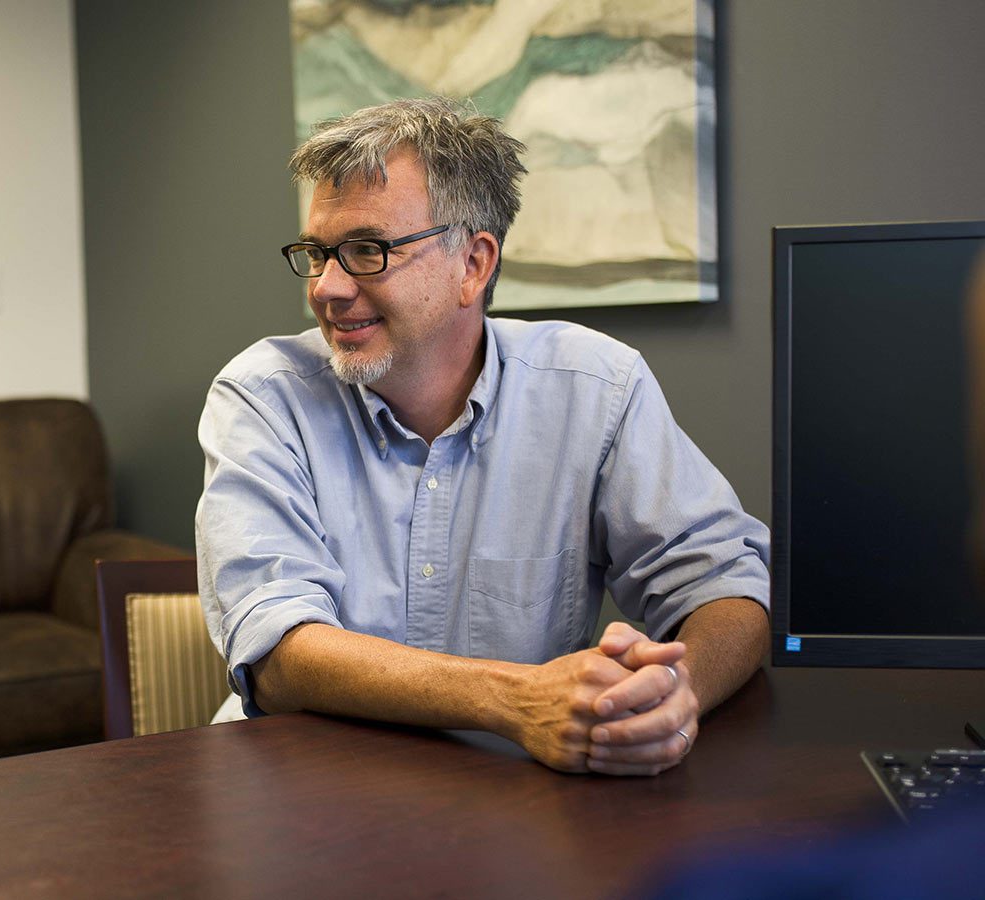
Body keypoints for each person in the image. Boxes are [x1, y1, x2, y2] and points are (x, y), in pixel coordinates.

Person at [195, 96, 770, 776]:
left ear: (472, 263)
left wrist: (674, 694)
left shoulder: (597, 389)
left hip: (512, 795)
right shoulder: (263, 396)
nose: (326, 287)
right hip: (302, 788)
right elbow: (276, 651)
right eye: (317, 254)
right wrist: (518, 699)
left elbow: (723, 583)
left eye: (366, 251)